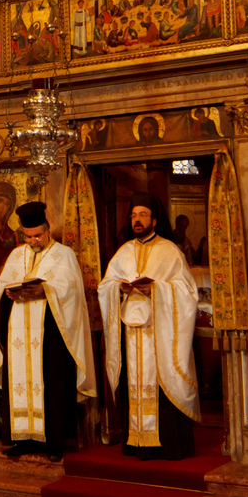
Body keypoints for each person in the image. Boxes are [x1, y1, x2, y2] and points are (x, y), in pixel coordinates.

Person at [0, 201, 95, 461]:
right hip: (18, 333)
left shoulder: (64, 255)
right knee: (20, 383)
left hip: (50, 334)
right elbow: (2, 287)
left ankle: (54, 443)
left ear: (48, 231)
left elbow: (72, 290)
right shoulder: (16, 255)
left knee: (52, 384)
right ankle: (22, 440)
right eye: (28, 236)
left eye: (37, 235)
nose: (33, 240)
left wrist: (45, 290)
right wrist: (10, 292)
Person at [99, 193, 200, 460]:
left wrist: (156, 289)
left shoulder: (169, 250)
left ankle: (166, 444)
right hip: (130, 334)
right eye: (133, 216)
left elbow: (188, 292)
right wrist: (118, 289)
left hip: (160, 334)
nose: (137, 220)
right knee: (131, 381)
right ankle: (136, 441)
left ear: (154, 220)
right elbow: (105, 285)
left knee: (160, 381)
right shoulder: (124, 252)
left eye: (142, 215)